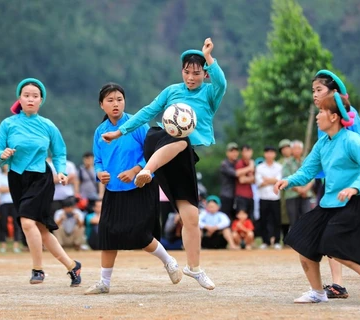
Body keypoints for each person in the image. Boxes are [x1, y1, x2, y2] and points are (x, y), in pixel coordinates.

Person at [100, 38, 226, 290]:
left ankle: (194, 268)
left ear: (204, 73)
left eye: (197, 73)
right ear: (182, 72)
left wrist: (209, 57)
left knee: (191, 216)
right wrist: (119, 132)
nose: (191, 78)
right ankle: (148, 169)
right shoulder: (171, 91)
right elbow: (147, 112)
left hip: (182, 155)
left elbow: (221, 81)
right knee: (180, 141)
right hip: (160, 140)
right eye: (187, 72)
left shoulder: (210, 93)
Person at [274, 92, 360, 303]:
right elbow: (307, 171)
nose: (317, 116)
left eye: (322, 111)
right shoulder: (323, 143)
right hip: (331, 202)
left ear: (334, 116)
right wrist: (288, 180)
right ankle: (317, 292)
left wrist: (354, 187)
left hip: (355, 202)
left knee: (330, 241)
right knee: (302, 239)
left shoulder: (352, 139)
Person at [84, 83, 180, 295]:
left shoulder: (136, 124)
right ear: (102, 105)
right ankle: (104, 283)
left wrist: (135, 170)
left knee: (140, 234)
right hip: (114, 190)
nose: (115, 104)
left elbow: (152, 154)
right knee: (107, 235)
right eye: (110, 100)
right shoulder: (100, 131)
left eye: (119, 99)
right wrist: (100, 173)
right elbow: (98, 160)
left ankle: (169, 261)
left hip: (140, 186)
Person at [0, 78, 81, 286]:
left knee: (27, 222)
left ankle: (38, 269)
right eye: (26, 95)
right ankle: (72, 266)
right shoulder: (8, 124)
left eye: (35, 96)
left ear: (41, 100)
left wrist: (61, 172)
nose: (30, 99)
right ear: (19, 99)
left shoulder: (48, 125)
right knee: (40, 229)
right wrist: (3, 154)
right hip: (16, 178)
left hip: (41, 178)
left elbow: (59, 153)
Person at [312, 69, 360, 299]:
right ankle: (338, 285)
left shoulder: (348, 114)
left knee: (354, 236)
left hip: (349, 185)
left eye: (319, 90)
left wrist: (344, 141)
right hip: (329, 183)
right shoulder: (322, 115)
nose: (315, 95)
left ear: (335, 93)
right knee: (330, 234)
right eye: (313, 91)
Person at [255, 146, 283, 250]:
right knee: (264, 220)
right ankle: (265, 241)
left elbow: (279, 181)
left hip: (275, 197)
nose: (269, 155)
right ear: (264, 154)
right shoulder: (260, 167)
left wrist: (267, 180)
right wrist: (272, 180)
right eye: (267, 152)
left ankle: (276, 241)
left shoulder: (279, 167)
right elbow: (259, 182)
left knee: (276, 220)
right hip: (263, 197)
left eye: (272, 152)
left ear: (275, 154)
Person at [282, 140, 313, 228]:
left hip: (306, 194)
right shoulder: (287, 163)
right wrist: (299, 190)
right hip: (292, 194)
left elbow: (313, 177)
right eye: (294, 148)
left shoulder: (308, 161)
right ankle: (295, 241)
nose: (297, 150)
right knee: (293, 220)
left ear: (302, 150)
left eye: (299, 148)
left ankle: (306, 240)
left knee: (306, 218)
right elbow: (286, 178)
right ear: (291, 150)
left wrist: (305, 190)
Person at [0, 164, 22, 253]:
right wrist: (12, 188)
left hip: (15, 202)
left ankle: (16, 245)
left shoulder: (17, 175)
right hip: (3, 203)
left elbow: (19, 188)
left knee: (17, 224)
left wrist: (7, 189)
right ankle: (3, 244)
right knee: (3, 224)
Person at [234, 145, 255, 222]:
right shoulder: (240, 163)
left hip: (250, 195)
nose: (247, 153)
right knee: (241, 217)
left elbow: (255, 180)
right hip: (241, 195)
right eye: (245, 151)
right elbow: (241, 180)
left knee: (250, 217)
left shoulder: (252, 163)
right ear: (241, 153)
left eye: (248, 151)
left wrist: (249, 178)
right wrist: (250, 168)